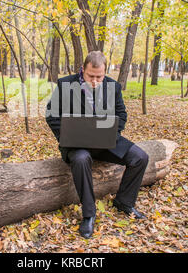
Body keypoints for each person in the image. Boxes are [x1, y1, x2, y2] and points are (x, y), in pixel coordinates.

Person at [45, 50, 149, 239]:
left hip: (105, 142)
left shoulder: (113, 86)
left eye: (99, 77)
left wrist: (108, 132)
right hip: (76, 144)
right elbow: (51, 115)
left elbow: (122, 115)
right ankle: (89, 214)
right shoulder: (65, 84)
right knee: (82, 159)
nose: (95, 81)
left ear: (105, 72)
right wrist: (66, 135)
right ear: (82, 69)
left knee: (140, 157)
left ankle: (124, 202)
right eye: (90, 76)